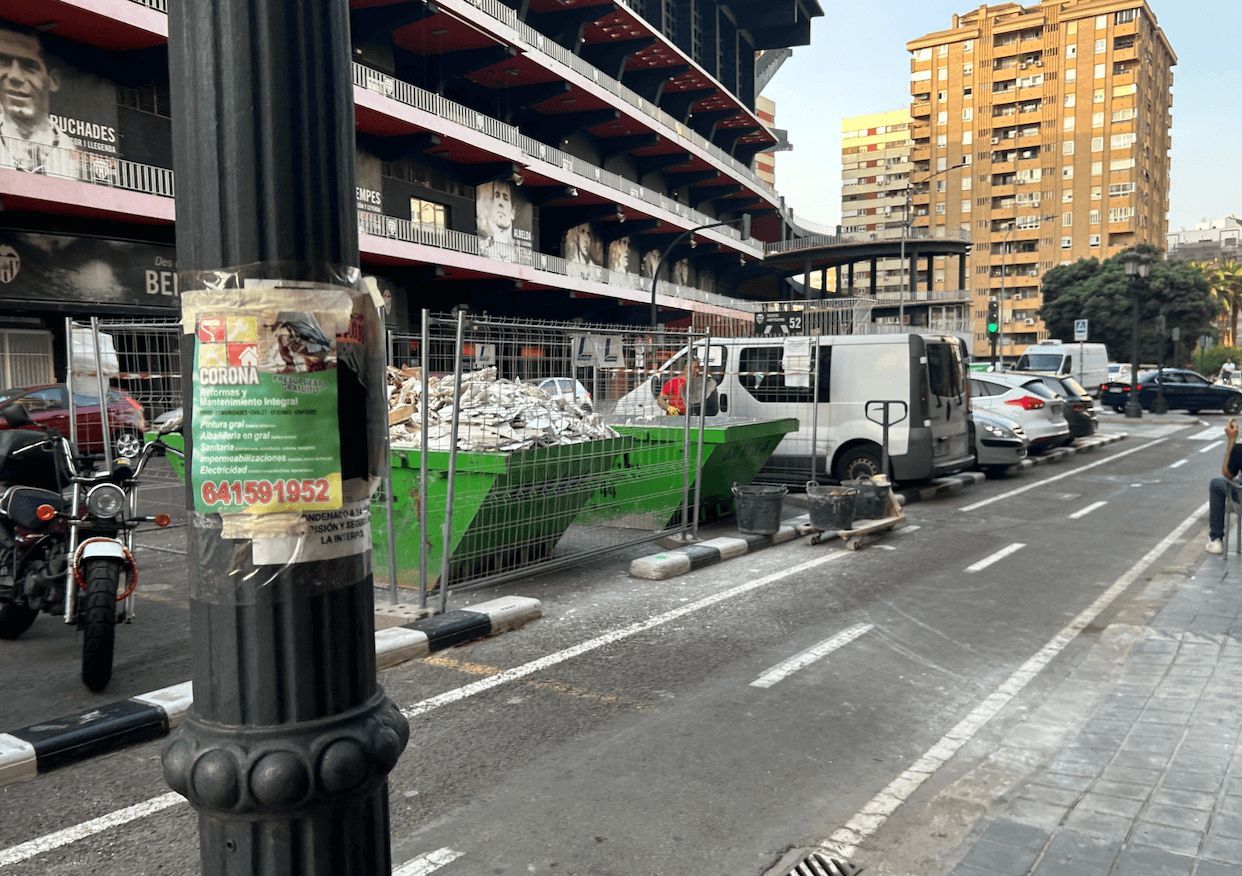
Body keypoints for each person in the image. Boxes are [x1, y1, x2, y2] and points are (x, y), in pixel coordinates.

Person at [0, 25, 71, 176]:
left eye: (29, 65)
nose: (14, 76)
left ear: (53, 79)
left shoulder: (74, 157)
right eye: (3, 62)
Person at [1206, 417, 1242, 554]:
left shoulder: (1239, 449)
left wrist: (1231, 440)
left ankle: (1216, 540)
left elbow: (1227, 474)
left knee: (1216, 484)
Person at [476, 180, 516, 247]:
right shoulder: (483, 243)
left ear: (512, 213)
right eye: (497, 196)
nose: (500, 203)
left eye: (505, 198)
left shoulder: (517, 248)